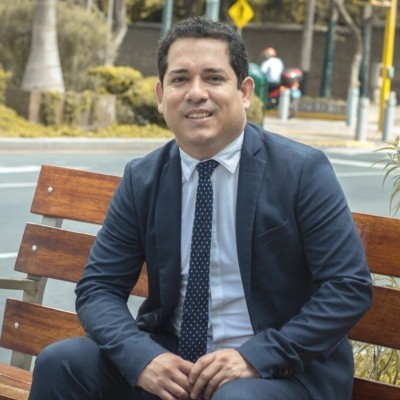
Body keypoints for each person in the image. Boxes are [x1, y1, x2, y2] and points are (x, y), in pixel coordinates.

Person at [28, 16, 372, 400]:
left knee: (234, 399)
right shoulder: (144, 177)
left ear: (244, 92)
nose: (196, 93)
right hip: (177, 362)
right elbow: (99, 287)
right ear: (161, 96)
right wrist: (143, 358)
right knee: (61, 363)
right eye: (180, 79)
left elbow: (348, 287)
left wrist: (256, 356)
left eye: (213, 78)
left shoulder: (301, 170)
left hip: (279, 370)